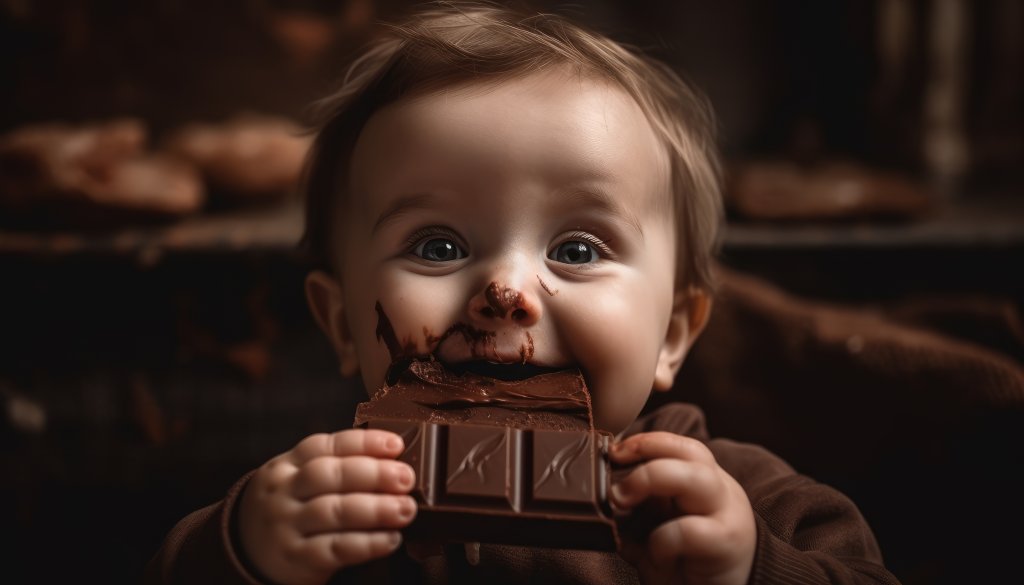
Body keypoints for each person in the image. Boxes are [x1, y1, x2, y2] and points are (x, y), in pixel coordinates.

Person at [146, 3, 899, 584]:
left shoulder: (746, 502)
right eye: (438, 246)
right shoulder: (322, 507)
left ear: (673, 333)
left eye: (576, 250)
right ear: (343, 322)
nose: (505, 291)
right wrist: (242, 549)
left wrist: (755, 567)